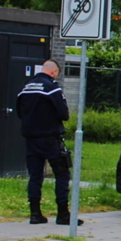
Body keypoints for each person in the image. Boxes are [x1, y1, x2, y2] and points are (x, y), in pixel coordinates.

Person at [16, 59, 82, 226]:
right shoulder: (52, 88)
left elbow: (19, 113)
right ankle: (62, 214)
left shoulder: (26, 88)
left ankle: (35, 214)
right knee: (62, 174)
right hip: (50, 139)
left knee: (35, 177)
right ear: (53, 72)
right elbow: (64, 114)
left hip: (31, 140)